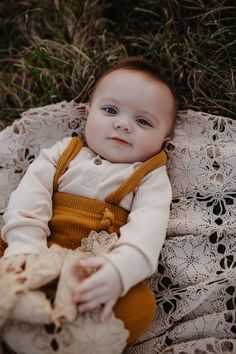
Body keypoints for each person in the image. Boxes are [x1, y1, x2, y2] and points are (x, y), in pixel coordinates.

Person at [0, 57, 177, 344]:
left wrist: (121, 270)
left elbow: (149, 228)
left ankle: (68, 340)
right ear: (87, 113)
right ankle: (18, 315)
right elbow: (29, 197)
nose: (122, 124)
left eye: (143, 121)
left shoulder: (149, 175)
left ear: (164, 138)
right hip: (36, 249)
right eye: (110, 110)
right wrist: (23, 244)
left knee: (141, 307)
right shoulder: (63, 153)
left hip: (91, 272)